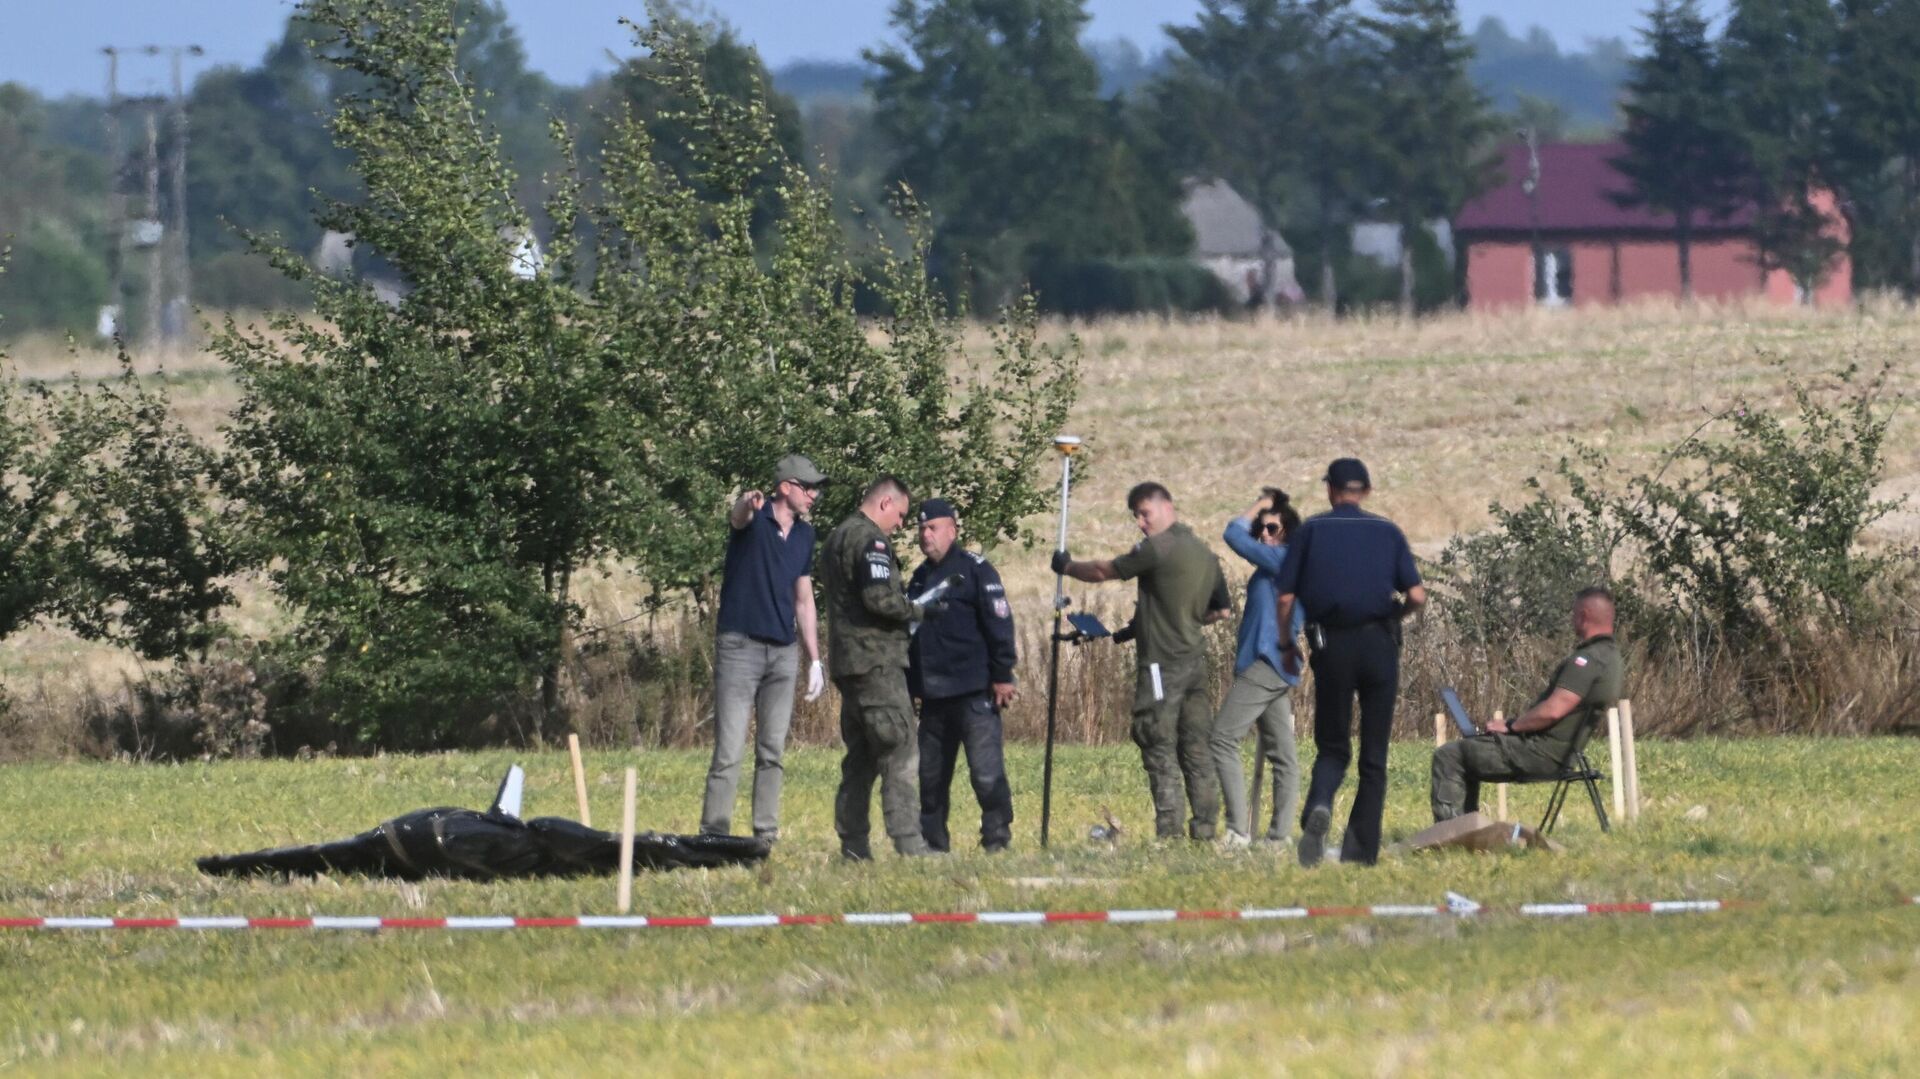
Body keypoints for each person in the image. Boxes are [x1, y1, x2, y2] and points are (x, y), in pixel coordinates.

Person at [1055, 482, 1232, 840]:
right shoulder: (1203, 552)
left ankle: (1169, 832)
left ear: (1166, 506)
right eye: (1136, 515)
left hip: (1161, 666)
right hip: (1195, 662)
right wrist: (1177, 619)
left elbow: (1105, 571)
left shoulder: (1158, 548)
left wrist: (1066, 566)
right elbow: (1221, 611)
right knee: (1196, 746)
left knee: (1156, 740)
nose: (1140, 522)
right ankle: (1205, 829)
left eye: (1144, 513)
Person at [1275, 458, 1426, 868]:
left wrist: (1287, 643)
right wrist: (1393, 618)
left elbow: (1285, 598)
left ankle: (1320, 805)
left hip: (1332, 645)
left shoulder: (1311, 532)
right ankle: (1360, 853)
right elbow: (1416, 595)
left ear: (1330, 489)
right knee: (1374, 756)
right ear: (1367, 491)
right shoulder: (1388, 532)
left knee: (1333, 744)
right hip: (1379, 645)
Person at [699, 453, 826, 843]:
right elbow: (738, 517)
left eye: (816, 489)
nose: (814, 496)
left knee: (772, 751)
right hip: (740, 648)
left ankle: (765, 834)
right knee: (730, 749)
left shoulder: (805, 535)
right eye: (808, 488)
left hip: (783, 653)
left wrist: (815, 659)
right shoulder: (755, 519)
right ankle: (714, 833)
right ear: (785, 487)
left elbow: (803, 598)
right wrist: (744, 501)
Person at [820, 475, 941, 859]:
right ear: (885, 503)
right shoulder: (870, 540)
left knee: (861, 758)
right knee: (900, 749)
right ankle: (910, 844)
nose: (902, 525)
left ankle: (853, 846)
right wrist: (919, 610)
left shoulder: (837, 536)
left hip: (848, 663)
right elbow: (878, 598)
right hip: (877, 662)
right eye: (901, 515)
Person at [1431, 588, 1624, 821]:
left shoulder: (1587, 660)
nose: (1572, 619)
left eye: (1574, 614)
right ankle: (1468, 830)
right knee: (1469, 749)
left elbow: (1553, 711)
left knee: (1449, 755)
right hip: (1564, 753)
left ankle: (1449, 834)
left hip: (1541, 753)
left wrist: (1511, 726)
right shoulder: (1611, 658)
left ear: (1583, 615)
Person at [907, 498, 1018, 852]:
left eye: (933, 527)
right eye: (922, 528)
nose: (926, 535)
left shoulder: (976, 571)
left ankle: (997, 839)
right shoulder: (920, 578)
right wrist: (911, 686)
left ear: (952, 530)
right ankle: (933, 844)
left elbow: (1000, 623)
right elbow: (910, 635)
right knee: (930, 779)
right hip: (934, 697)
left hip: (974, 692)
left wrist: (1003, 673)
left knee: (986, 774)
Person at [1209, 488, 1306, 847]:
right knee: (1283, 755)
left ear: (1287, 533)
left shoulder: (1284, 559)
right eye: (1262, 529)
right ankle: (1278, 838)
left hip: (1265, 663)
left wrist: (1259, 506)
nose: (1264, 534)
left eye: (1273, 528)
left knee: (1222, 739)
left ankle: (1237, 832)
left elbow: (1232, 534)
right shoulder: (1278, 564)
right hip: (1274, 664)